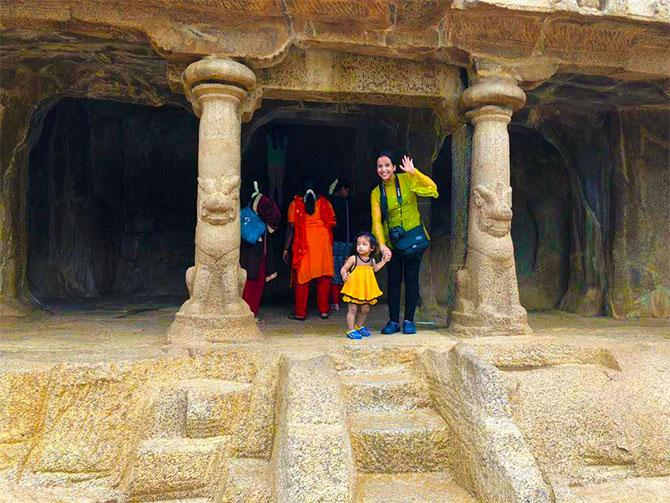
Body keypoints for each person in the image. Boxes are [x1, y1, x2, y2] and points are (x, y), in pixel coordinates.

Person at [371, 150, 438, 334]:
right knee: (393, 281)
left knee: (411, 279)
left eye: (387, 165)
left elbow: (432, 189)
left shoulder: (407, 179)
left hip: (413, 241)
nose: (383, 169)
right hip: (392, 244)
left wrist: (414, 172)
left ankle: (409, 320)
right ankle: (393, 321)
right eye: (380, 166)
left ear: (394, 167)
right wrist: (382, 244)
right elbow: (376, 220)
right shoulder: (377, 193)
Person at [283, 180, 336, 320]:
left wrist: (285, 248)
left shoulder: (295, 204)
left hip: (304, 244)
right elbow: (332, 223)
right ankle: (324, 311)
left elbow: (291, 227)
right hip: (323, 244)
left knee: (302, 279)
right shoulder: (325, 203)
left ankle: (300, 313)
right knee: (324, 277)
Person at [240, 181, 282, 317]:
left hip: (245, 244)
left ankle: (246, 311)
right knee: (254, 280)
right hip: (257, 247)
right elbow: (275, 216)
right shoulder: (262, 200)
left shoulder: (243, 200)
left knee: (248, 279)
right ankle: (250, 312)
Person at [340, 231, 390, 340]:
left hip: (366, 289)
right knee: (352, 309)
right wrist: (344, 274)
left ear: (372, 248)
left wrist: (384, 261)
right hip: (354, 289)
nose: (360, 247)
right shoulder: (354, 258)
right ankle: (350, 329)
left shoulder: (371, 260)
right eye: (358, 244)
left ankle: (358, 326)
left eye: (364, 244)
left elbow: (375, 269)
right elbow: (344, 268)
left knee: (365, 309)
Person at [327, 177, 352, 311]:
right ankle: (342, 300)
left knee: (334, 272)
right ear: (343, 189)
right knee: (345, 270)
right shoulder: (346, 203)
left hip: (332, 241)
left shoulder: (329, 202)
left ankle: (335, 302)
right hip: (346, 241)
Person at [266, 126, 287, 209]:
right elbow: (267, 131)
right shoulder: (272, 142)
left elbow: (267, 132)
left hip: (276, 166)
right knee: (275, 186)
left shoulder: (276, 142)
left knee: (277, 186)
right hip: (276, 165)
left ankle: (278, 204)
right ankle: (274, 204)